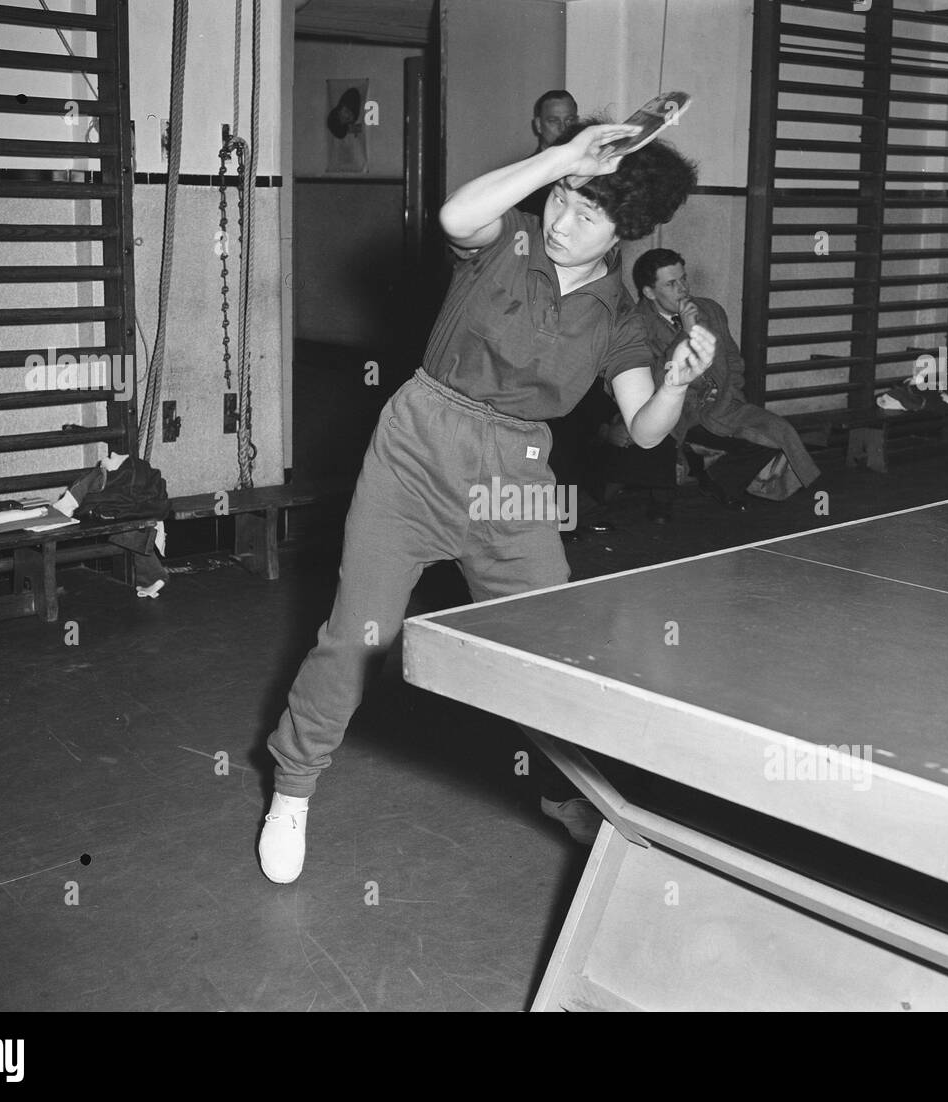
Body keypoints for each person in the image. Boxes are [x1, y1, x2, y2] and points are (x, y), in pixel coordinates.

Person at [258, 121, 708, 882]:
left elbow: (644, 430)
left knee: (550, 643)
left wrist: (675, 382)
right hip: (418, 443)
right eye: (563, 197)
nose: (564, 220)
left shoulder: (621, 318)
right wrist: (565, 158)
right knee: (359, 633)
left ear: (624, 232)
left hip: (516, 473)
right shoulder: (513, 238)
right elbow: (456, 217)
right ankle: (293, 787)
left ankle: (573, 794)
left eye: (588, 214)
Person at [628, 248, 821, 511]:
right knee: (664, 448)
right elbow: (657, 378)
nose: (683, 289)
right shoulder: (635, 326)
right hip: (675, 412)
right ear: (649, 292)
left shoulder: (710, 310)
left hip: (721, 406)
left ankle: (720, 480)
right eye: (671, 284)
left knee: (776, 432)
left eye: (684, 279)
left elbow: (733, 360)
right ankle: (666, 500)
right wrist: (686, 331)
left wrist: (732, 394)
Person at [517, 90, 578, 218]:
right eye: (554, 121)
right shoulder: (523, 175)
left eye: (570, 120)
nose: (563, 128)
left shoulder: (590, 169)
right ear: (539, 125)